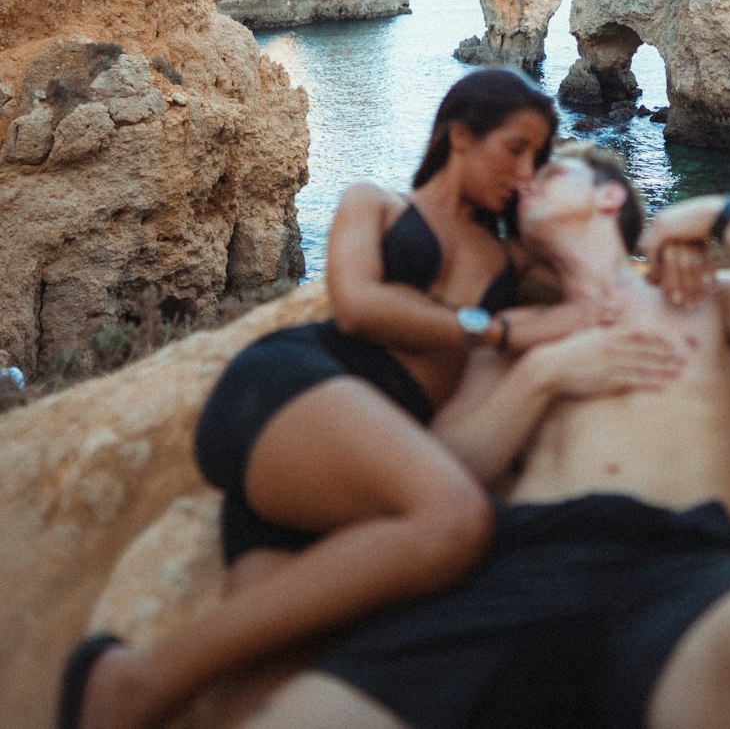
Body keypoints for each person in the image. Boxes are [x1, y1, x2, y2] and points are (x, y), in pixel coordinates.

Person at [59, 72, 682, 729]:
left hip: (344, 472)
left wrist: (691, 231)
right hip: (288, 390)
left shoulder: (511, 258)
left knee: (270, 693)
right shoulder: (375, 205)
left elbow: (603, 248)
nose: (527, 173)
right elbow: (358, 306)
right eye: (515, 148)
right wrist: (499, 329)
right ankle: (126, 682)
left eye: (540, 158)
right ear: (460, 135)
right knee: (457, 521)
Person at [241, 144, 730, 729]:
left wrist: (723, 218)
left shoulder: (704, 302)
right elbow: (445, 468)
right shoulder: (517, 332)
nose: (526, 181)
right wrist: (545, 375)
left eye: (549, 172)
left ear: (610, 196)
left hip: (679, 560)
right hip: (519, 565)